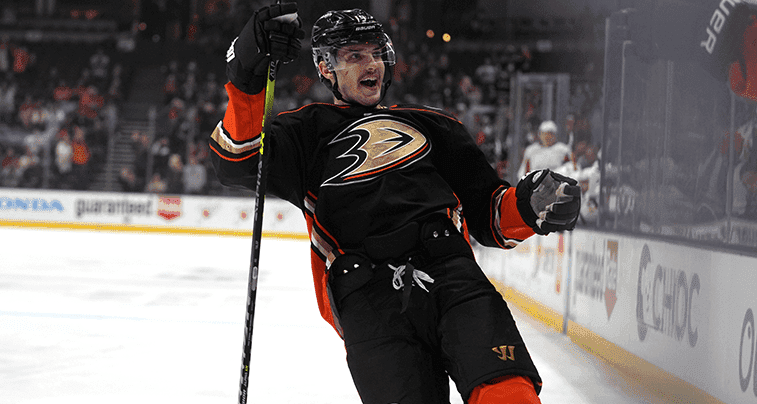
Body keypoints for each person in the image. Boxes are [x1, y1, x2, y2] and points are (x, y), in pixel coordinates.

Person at [210, 4, 581, 404]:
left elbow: (490, 214)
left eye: (375, 53)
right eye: (354, 56)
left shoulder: (434, 125)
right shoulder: (304, 131)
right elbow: (237, 158)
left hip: (452, 274)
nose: (371, 64)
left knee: (509, 395)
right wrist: (246, 76)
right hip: (367, 296)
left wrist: (531, 207)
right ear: (325, 68)